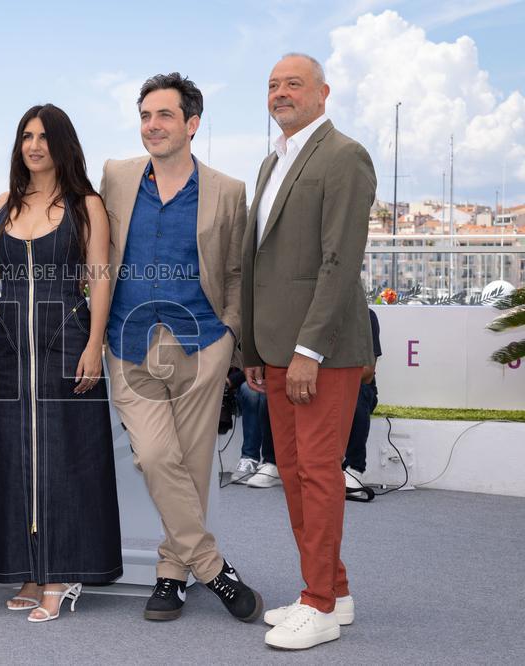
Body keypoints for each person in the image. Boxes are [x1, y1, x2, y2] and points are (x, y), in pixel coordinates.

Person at [102, 73, 262, 623]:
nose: (153, 126)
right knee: (154, 454)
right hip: (128, 340)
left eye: (164, 115)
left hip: (202, 342)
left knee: (192, 465)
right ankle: (214, 568)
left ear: (191, 124)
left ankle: (171, 574)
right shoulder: (117, 177)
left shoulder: (228, 189)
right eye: (146, 116)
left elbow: (237, 272)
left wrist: (232, 339)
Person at [241, 53, 377, 650]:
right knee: (295, 475)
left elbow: (339, 263)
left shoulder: (344, 156)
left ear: (324, 93)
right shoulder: (275, 160)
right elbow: (259, 263)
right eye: (272, 85)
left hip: (319, 352)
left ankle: (320, 605)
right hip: (273, 349)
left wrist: (306, 350)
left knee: (319, 475)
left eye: (293, 83)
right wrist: (253, 344)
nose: (280, 92)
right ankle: (331, 590)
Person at [0, 104, 123, 623]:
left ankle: (61, 574)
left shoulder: (87, 205)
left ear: (62, 143)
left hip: (68, 333)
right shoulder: (4, 204)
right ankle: (29, 568)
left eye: (43, 136)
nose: (33, 145)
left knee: (65, 454)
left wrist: (95, 345)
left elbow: (100, 276)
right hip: (9, 341)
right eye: (25, 136)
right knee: (16, 453)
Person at [344, 308, 382, 493]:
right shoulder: (316, 316)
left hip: (358, 386)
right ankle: (273, 463)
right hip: (324, 386)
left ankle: (354, 469)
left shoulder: (366, 316)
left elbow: (367, 372)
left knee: (358, 393)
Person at [228, 368, 280, 488]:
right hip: (253, 377)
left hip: (278, 377)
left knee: (265, 392)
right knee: (249, 389)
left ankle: (272, 463)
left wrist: (232, 379)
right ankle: (249, 459)